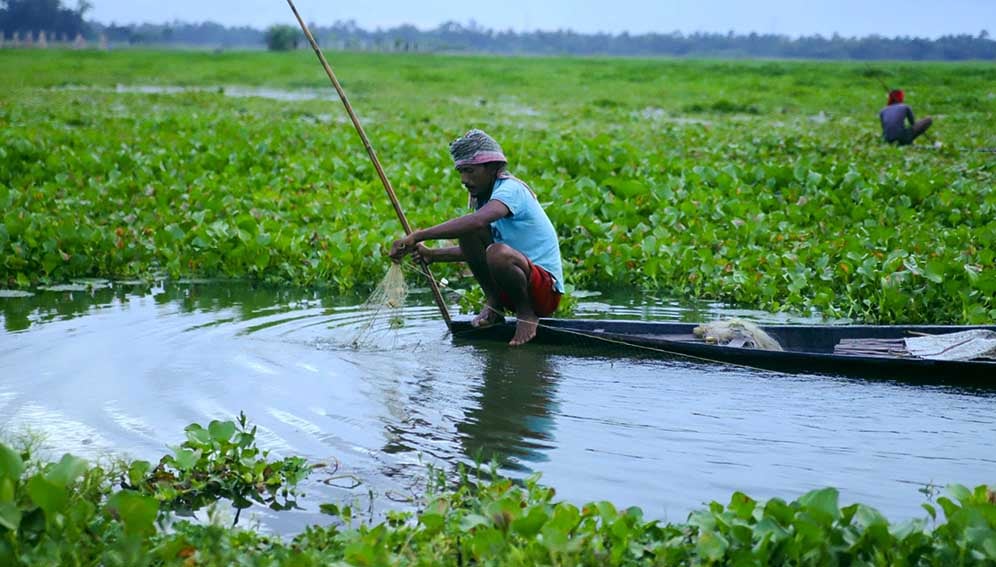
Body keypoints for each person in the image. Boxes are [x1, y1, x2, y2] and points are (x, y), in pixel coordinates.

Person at [389, 129, 565, 346]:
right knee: (472, 234)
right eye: (461, 172)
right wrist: (433, 255)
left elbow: (479, 225)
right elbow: (476, 251)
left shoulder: (510, 190)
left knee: (494, 248)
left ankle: (526, 314)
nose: (464, 179)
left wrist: (418, 236)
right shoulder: (484, 198)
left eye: (470, 171)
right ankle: (494, 305)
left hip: (544, 292)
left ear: (491, 168)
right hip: (513, 286)